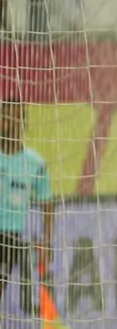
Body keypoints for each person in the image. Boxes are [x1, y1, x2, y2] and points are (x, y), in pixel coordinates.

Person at [0, 98, 52, 311]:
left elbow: (47, 203)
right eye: (5, 118)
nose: (9, 123)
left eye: (14, 117)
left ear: (23, 122)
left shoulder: (35, 163)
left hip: (11, 239)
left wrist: (46, 243)